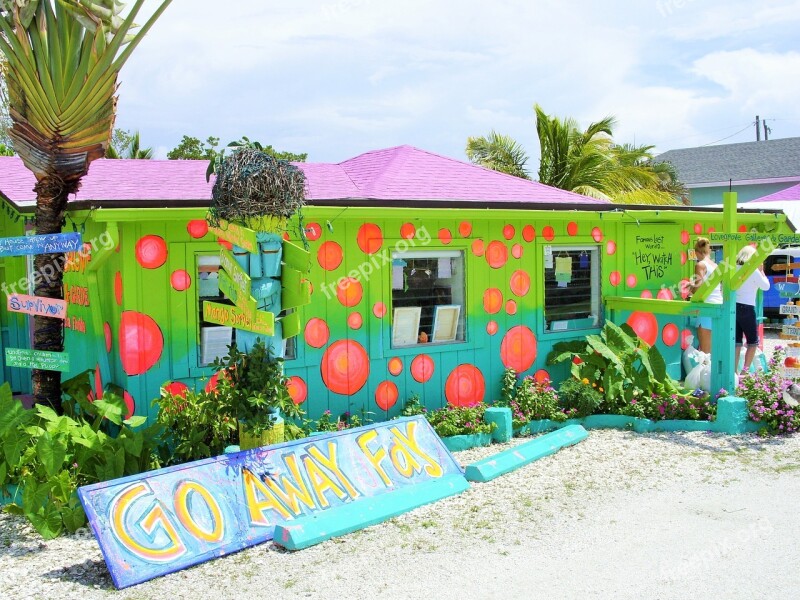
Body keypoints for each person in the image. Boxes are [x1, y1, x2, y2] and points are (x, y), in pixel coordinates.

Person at [734, 245, 770, 373]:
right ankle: (745, 371)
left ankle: (733, 372)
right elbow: (766, 286)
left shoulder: (734, 268)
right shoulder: (753, 271)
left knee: (736, 341)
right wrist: (761, 271)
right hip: (747, 308)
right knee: (752, 342)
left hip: (734, 307)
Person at [688, 237, 723, 354]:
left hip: (706, 307)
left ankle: (705, 372)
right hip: (718, 305)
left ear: (697, 252)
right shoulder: (715, 265)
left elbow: (698, 288)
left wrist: (690, 287)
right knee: (716, 348)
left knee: (705, 351)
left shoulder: (700, 265)